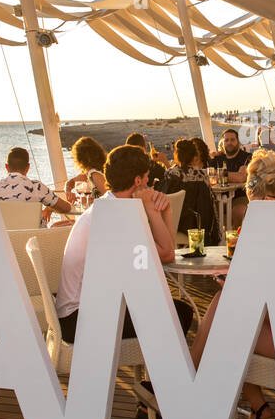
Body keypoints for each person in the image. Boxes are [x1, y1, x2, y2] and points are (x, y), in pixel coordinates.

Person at [137, 151, 275, 419]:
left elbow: (274, 299)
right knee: (228, 311)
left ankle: (184, 391)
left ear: (264, 200)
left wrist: (235, 288)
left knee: (225, 322)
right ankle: (258, 411)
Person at [55, 145, 194, 352]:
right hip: (79, 319)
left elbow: (166, 250)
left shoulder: (111, 206)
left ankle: (157, 378)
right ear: (137, 181)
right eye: (147, 178)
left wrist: (165, 211)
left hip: (90, 306)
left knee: (174, 310)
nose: (149, 183)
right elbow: (167, 254)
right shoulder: (116, 215)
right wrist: (152, 210)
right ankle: (161, 381)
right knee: (178, 314)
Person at [0, 146, 73, 223]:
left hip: (6, 237)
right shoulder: (37, 187)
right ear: (28, 167)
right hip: (36, 236)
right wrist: (50, 208)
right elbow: (66, 208)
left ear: (6, 167)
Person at [164, 138, 220, 242]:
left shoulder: (171, 174)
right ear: (194, 157)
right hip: (198, 226)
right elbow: (209, 206)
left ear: (177, 155)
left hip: (176, 224)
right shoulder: (202, 176)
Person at [216, 128, 252, 226]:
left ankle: (236, 240)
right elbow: (208, 174)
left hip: (241, 196)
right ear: (222, 143)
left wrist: (218, 173)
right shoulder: (217, 159)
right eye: (226, 140)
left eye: (232, 140)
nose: (229, 143)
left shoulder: (247, 157)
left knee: (238, 211)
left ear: (238, 142)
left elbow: (241, 178)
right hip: (218, 196)